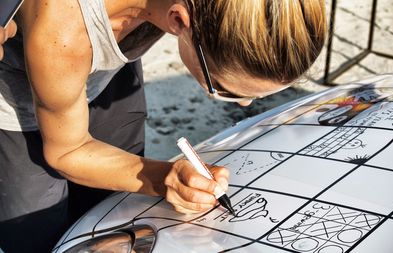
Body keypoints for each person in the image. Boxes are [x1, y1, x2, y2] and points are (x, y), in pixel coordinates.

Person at [0, 0, 327, 252]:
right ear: (179, 20)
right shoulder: (64, 30)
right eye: (227, 90)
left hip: (106, 72)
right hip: (20, 99)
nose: (245, 106)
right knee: (44, 236)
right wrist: (163, 179)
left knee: (115, 214)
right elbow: (68, 150)